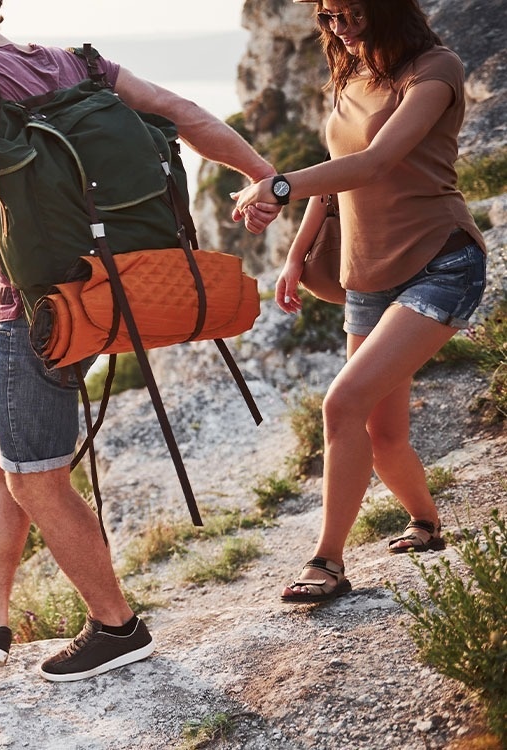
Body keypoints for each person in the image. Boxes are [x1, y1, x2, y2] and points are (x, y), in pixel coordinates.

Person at [0, 0, 281, 682]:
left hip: (38, 310)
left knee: (35, 476)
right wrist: (262, 175)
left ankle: (116, 627)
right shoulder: (74, 64)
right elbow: (187, 114)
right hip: (110, 285)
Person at [232, 0, 487, 603]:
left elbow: (375, 162)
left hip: (441, 263)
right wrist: (298, 252)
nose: (339, 27)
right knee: (382, 431)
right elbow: (340, 168)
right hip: (367, 275)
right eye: (329, 15)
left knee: (341, 403)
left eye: (352, 13)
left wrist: (278, 186)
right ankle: (426, 522)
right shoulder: (353, 75)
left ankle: (327, 561)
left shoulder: (435, 69)